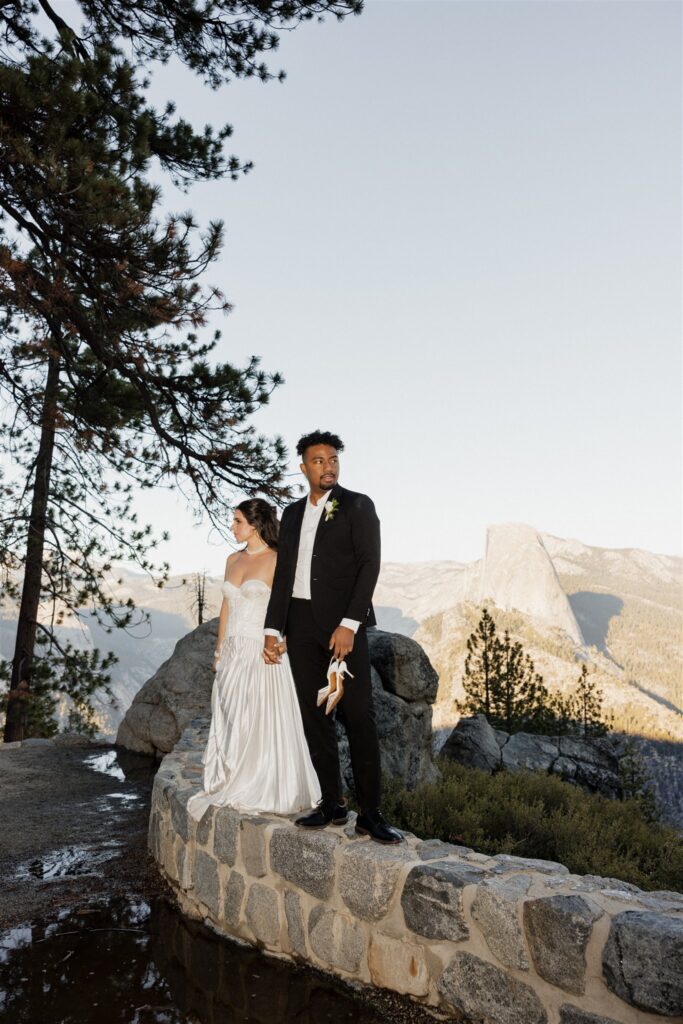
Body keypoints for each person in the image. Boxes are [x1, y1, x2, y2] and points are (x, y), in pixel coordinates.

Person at [263, 430, 403, 845]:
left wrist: (349, 624)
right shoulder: (290, 514)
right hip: (299, 622)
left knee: (358, 717)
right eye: (319, 460)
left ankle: (371, 814)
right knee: (314, 716)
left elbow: (369, 566)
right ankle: (331, 802)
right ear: (304, 468)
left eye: (333, 459)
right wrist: (273, 629)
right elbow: (283, 575)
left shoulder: (358, 505)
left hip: (342, 625)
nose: (329, 466)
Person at [187, 499, 321, 821]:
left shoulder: (277, 560)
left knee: (261, 719)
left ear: (255, 524)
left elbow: (290, 608)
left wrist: (283, 643)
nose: (232, 527)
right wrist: (219, 651)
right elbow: (226, 608)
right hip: (233, 651)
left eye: (237, 522)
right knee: (234, 717)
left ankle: (266, 785)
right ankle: (234, 777)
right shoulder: (232, 559)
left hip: (263, 650)